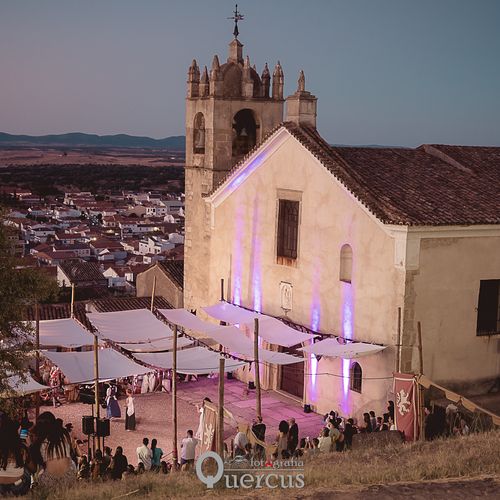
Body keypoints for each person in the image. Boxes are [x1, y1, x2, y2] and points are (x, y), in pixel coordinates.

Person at [30, 411, 76, 487]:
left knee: (41, 470)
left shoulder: (40, 443)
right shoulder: (64, 435)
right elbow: (72, 451)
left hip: (49, 481)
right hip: (69, 477)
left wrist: (30, 445)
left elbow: (35, 467)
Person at [0, 414, 33, 496]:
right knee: (25, 469)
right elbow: (33, 468)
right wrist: (30, 448)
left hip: (1, 488)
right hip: (19, 487)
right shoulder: (22, 448)